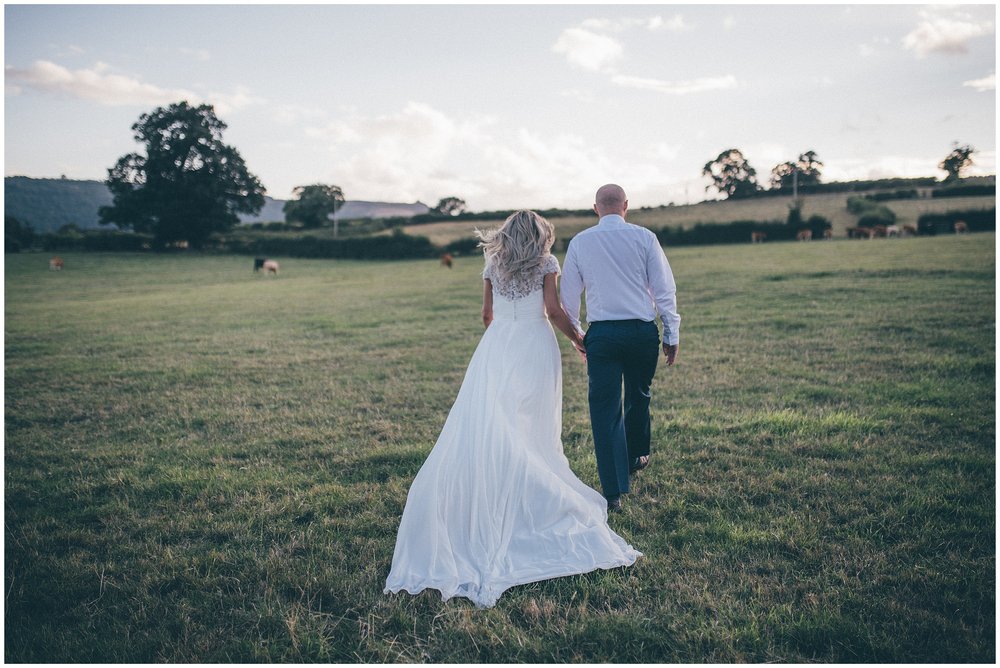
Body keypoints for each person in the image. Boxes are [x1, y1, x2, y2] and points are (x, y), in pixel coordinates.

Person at [384, 210, 641, 608]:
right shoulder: (546, 262)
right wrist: (579, 338)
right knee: (533, 424)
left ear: (505, 234)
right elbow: (553, 310)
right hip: (535, 344)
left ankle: (509, 480)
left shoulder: (492, 263)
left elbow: (486, 315)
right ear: (541, 235)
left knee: (495, 421)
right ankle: (533, 484)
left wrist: (502, 334)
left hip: (498, 345)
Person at [560, 184, 680, 512]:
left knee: (604, 409)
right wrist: (672, 333)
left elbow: (568, 298)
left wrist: (577, 336)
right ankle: (634, 456)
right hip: (642, 332)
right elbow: (664, 289)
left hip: (603, 335)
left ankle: (613, 490)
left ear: (595, 208)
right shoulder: (645, 238)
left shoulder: (581, 242)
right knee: (639, 394)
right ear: (626, 205)